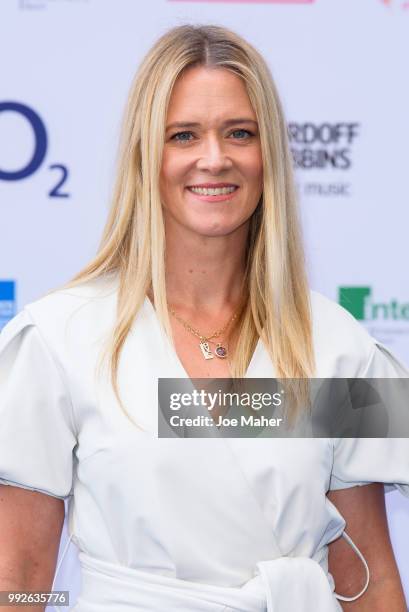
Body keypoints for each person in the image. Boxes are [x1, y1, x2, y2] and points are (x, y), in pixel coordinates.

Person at [0, 24, 409, 612]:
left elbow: (369, 578)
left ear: (268, 152)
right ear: (146, 153)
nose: (213, 159)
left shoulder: (343, 344)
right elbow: (18, 576)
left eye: (239, 133)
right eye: (183, 135)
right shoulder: (56, 337)